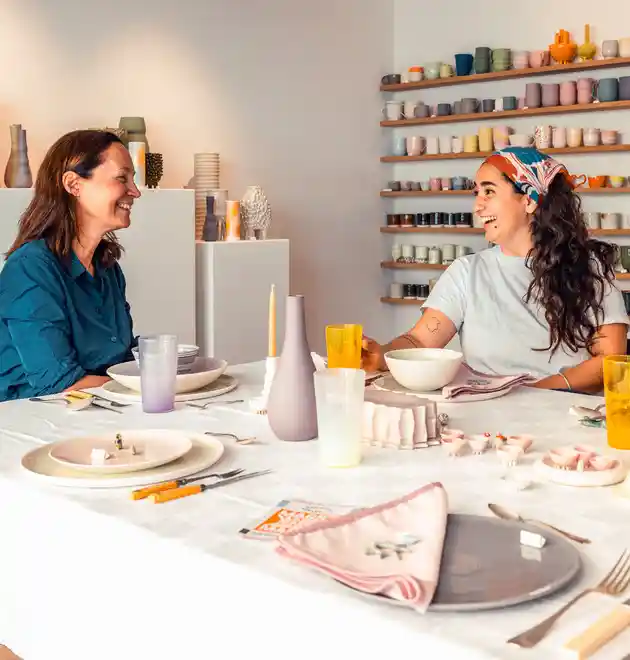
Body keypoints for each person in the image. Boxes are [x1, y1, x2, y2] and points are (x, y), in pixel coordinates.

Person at [363, 147, 628, 393]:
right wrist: (382, 355)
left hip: (566, 413)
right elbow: (420, 342)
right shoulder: (467, 272)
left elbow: (610, 359)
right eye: (476, 193)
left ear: (529, 200)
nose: (477, 206)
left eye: (489, 191)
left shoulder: (590, 268)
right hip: (488, 414)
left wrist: (535, 392)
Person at [0, 129, 141, 401]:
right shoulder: (30, 269)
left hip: (96, 411)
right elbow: (57, 383)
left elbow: (119, 361)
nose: (135, 191)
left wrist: (171, 368)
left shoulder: (107, 269)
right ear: (73, 184)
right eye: (122, 178)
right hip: (30, 418)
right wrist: (148, 386)